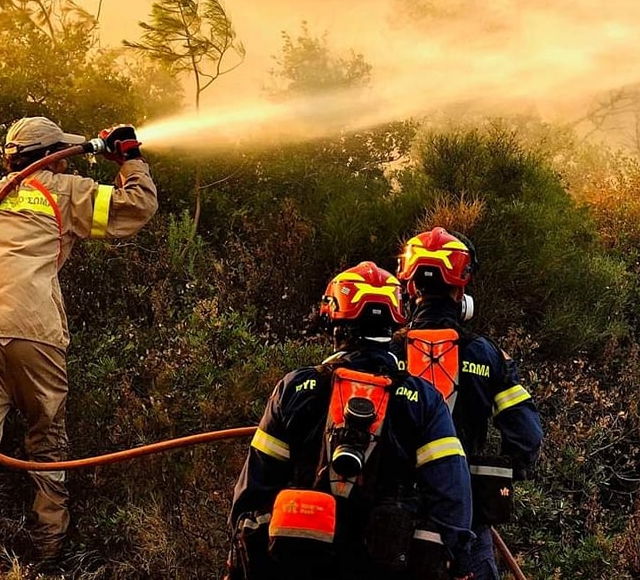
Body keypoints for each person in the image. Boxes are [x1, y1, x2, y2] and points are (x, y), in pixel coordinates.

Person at [0, 116, 158, 576]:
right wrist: (130, 159)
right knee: (47, 442)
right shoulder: (65, 192)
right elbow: (135, 207)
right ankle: (48, 553)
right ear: (52, 156)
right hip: (36, 333)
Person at [227, 261, 474, 580]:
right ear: (395, 320)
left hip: (296, 565)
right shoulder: (423, 400)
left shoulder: (297, 389)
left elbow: (250, 493)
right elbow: (452, 496)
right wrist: (456, 564)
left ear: (332, 317)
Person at [396, 227, 543, 580]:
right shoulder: (486, 355)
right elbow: (527, 438)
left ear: (410, 287)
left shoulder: (385, 356)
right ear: (461, 289)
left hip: (391, 524)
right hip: (466, 524)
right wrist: (486, 485)